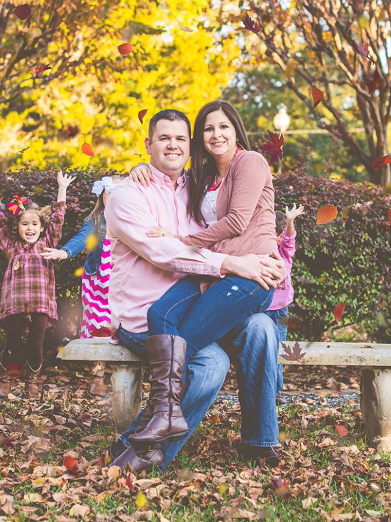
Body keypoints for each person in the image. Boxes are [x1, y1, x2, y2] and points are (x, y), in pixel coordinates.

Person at [106, 108, 285, 472]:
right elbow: (164, 251)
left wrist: (267, 257)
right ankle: (143, 450)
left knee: (262, 329)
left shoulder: (198, 185)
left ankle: (259, 441)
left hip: (199, 299)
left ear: (190, 146)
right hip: (146, 316)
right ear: (148, 144)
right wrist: (234, 264)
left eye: (180, 139)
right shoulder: (128, 194)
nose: (173, 145)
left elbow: (236, 226)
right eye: (164, 138)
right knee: (210, 365)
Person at [0, 171, 74, 397]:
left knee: (35, 344)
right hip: (16, 305)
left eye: (34, 224)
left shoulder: (48, 242)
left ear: (41, 227)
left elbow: (58, 217)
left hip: (40, 305)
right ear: (18, 227)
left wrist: (62, 188)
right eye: (25, 224)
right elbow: (0, 221)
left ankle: (31, 383)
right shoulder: (11, 245)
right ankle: (4, 380)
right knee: (12, 344)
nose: (29, 228)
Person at [41, 175, 124, 339]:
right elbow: (82, 237)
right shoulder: (96, 220)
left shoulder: (134, 219)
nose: (113, 196)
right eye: (109, 191)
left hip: (124, 277)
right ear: (101, 195)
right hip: (100, 278)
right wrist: (64, 252)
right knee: (99, 321)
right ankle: (98, 361)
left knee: (124, 319)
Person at [267, 205, 304, 396]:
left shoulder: (284, 252)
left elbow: (290, 238)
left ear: (279, 236)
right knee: (265, 350)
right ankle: (267, 390)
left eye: (270, 234)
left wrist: (289, 221)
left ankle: (276, 391)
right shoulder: (258, 251)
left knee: (279, 350)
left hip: (280, 311)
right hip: (262, 310)